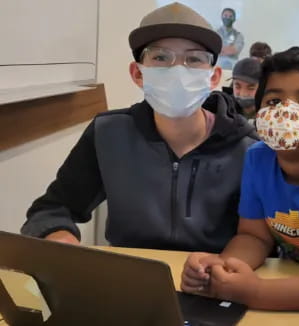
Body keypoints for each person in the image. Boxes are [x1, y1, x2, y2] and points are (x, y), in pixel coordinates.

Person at [21, 2, 257, 252]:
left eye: (194, 59)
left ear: (214, 77)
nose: (177, 69)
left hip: (217, 281)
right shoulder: (108, 135)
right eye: (160, 57)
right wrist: (62, 241)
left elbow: (264, 239)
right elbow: (51, 210)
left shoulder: (248, 148)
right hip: (132, 280)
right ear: (138, 73)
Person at [181, 47, 299, 311]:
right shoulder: (258, 159)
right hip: (290, 278)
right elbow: (254, 237)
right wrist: (223, 268)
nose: (287, 113)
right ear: (259, 117)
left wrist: (256, 292)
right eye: (274, 102)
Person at [231, 58, 261, 124]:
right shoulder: (223, 109)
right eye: (237, 87)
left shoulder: (268, 116)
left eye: (251, 88)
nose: (243, 94)